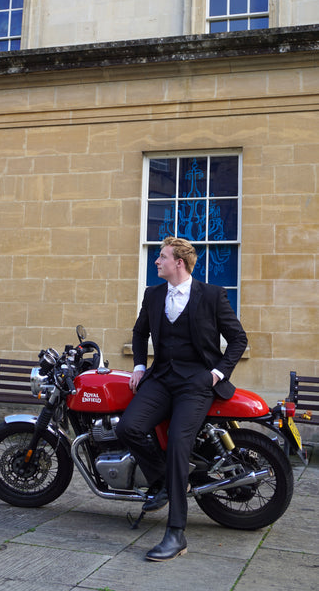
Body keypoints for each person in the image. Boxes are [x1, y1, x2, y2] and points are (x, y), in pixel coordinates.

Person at [116, 237, 247, 562]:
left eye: (161, 257)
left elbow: (238, 339)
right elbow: (139, 332)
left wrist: (216, 374)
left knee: (178, 442)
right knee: (128, 427)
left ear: (179, 263)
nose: (156, 262)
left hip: (196, 383)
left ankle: (176, 533)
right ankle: (166, 479)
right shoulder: (154, 294)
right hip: (160, 379)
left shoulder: (212, 295)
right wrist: (138, 366)